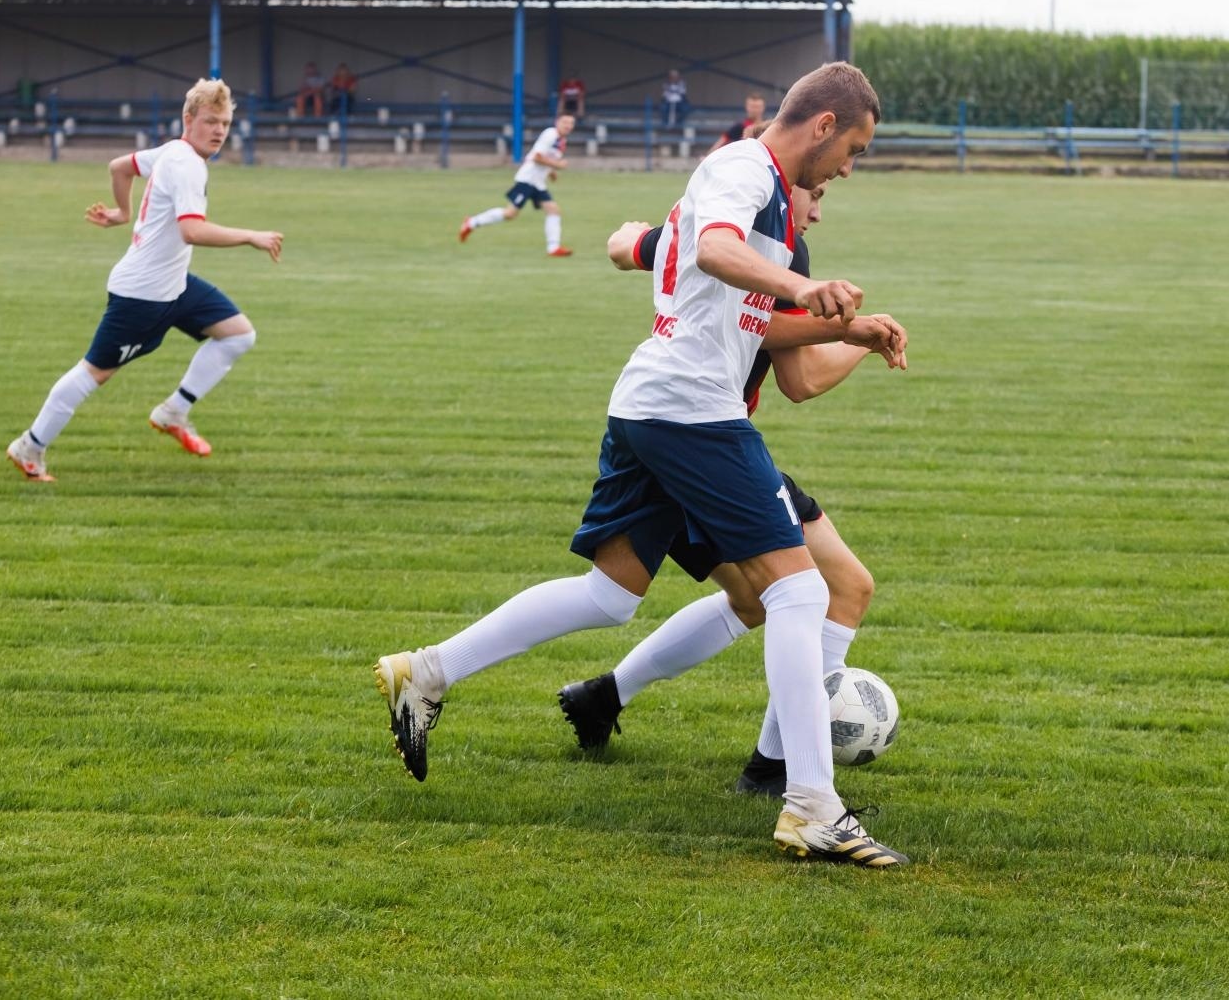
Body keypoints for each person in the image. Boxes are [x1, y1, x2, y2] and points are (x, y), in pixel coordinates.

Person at [377, 62, 910, 868]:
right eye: (855, 151)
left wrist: (853, 332)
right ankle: (809, 803)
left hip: (655, 403)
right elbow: (717, 250)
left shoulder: (766, 199)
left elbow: (753, 331)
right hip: (693, 407)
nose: (847, 171)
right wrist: (807, 285)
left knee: (609, 593)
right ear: (826, 125)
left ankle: (427, 670)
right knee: (802, 589)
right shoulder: (743, 169)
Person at [559, 177, 908, 801]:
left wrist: (859, 337)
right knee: (836, 589)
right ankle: (776, 772)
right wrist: (850, 333)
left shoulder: (756, 244)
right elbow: (796, 374)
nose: (818, 213)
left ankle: (605, 696)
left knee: (756, 601)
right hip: (709, 446)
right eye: (816, 193)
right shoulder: (772, 248)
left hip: (694, 441)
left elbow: (621, 244)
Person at [5, 78, 283, 483]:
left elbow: (119, 167)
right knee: (93, 373)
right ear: (188, 119)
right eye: (210, 121)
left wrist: (122, 212)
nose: (220, 131)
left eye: (225, 123)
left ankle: (174, 411)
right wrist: (251, 236)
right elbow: (192, 230)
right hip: (143, 295)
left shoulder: (173, 150)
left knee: (238, 334)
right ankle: (30, 446)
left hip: (174, 284)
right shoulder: (185, 163)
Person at [458, 113, 576, 257]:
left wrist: (551, 171)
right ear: (557, 122)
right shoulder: (550, 134)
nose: (568, 126)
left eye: (571, 123)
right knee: (510, 214)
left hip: (538, 182)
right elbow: (537, 157)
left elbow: (545, 157)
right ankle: (471, 222)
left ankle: (553, 248)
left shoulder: (561, 141)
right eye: (565, 122)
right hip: (528, 179)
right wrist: (557, 165)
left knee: (553, 210)